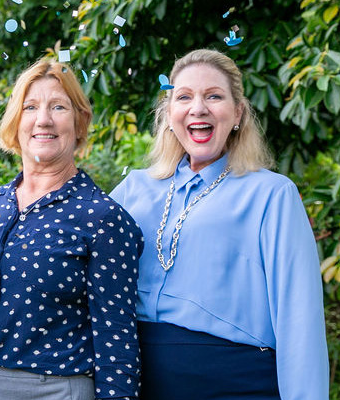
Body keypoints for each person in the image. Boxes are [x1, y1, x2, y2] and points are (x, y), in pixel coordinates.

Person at [108, 49, 327, 399]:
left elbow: (299, 320)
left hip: (236, 385)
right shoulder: (133, 189)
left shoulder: (272, 194)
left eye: (214, 96)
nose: (198, 108)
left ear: (237, 112)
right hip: (138, 382)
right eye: (184, 97)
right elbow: (74, 250)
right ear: (168, 113)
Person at [0, 59, 142, 399]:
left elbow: (117, 337)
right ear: (16, 123)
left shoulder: (103, 217)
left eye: (58, 107)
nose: (43, 119)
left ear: (80, 123)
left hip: (53, 389)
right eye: (30, 107)